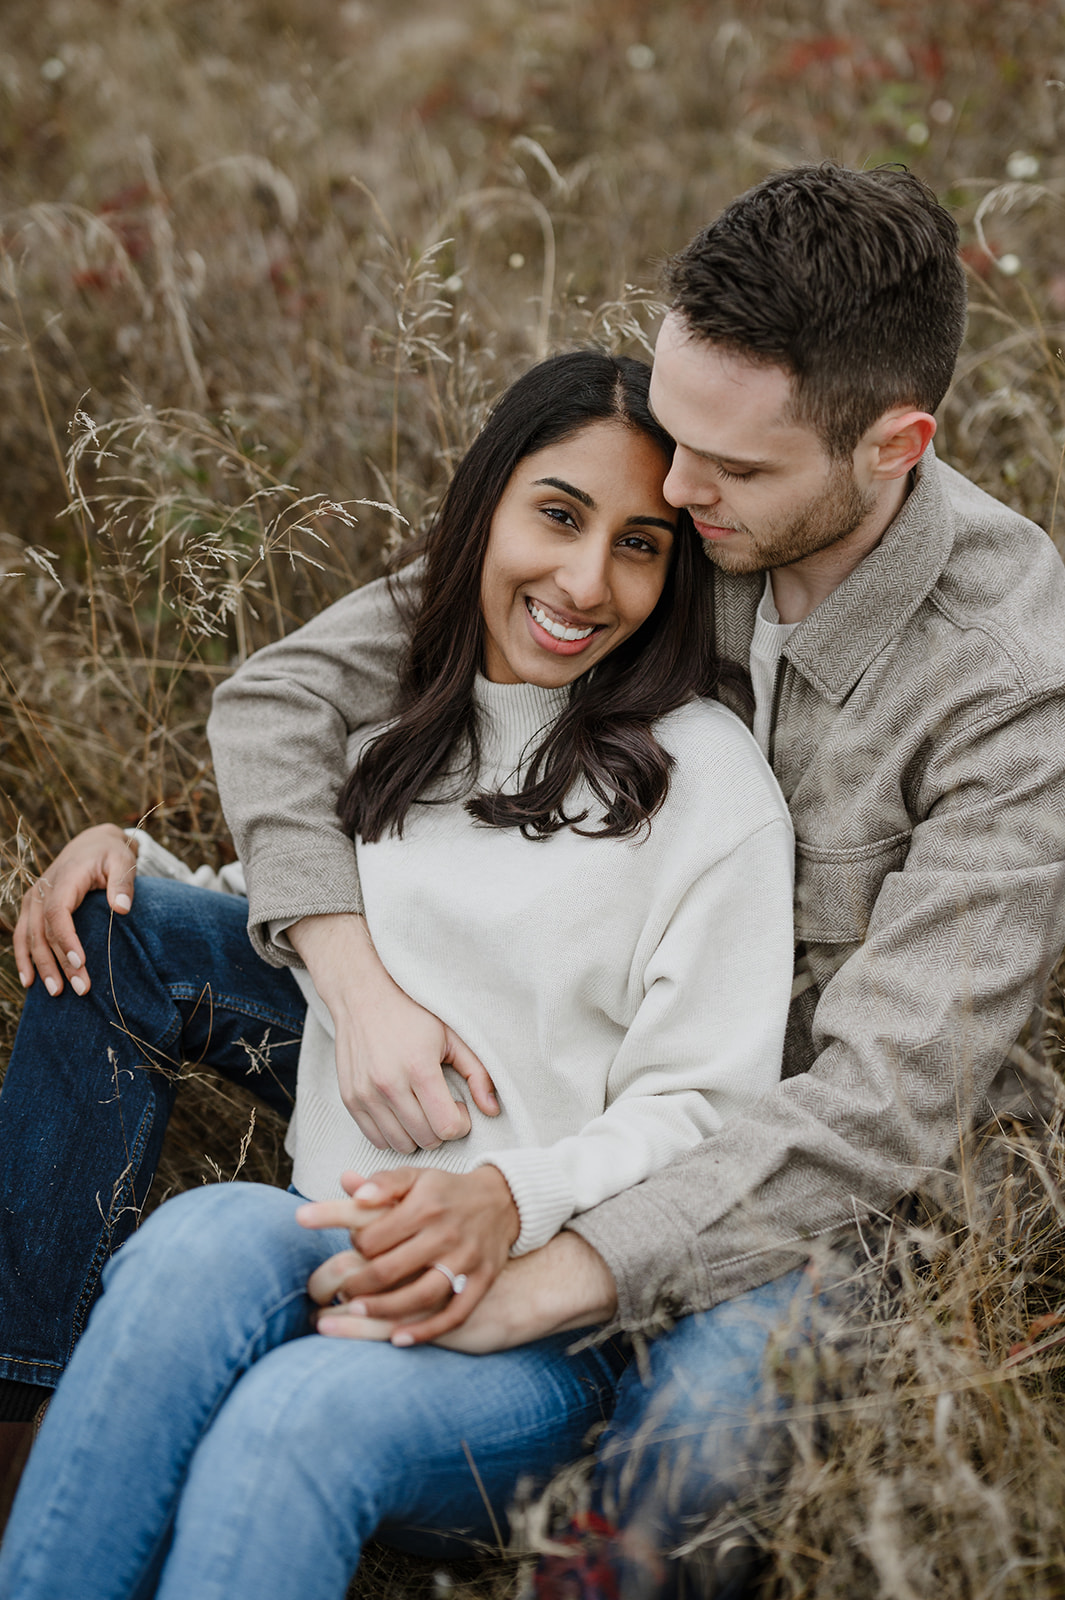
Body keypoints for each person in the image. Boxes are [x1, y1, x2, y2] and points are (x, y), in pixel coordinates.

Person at [5, 159, 1065, 1595]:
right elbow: (302, 702)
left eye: (726, 471)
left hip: (806, 1177)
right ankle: (37, 1419)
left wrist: (544, 1263)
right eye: (671, 445)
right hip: (525, 1048)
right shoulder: (665, 500)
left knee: (690, 1436)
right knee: (120, 924)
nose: (674, 496)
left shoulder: (1006, 687)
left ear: (894, 445)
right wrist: (343, 968)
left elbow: (885, 1100)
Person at [0, 351, 794, 1599]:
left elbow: (707, 1111)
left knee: (296, 1410)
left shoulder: (708, 786)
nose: (587, 582)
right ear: (484, 505)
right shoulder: (400, 728)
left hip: (538, 1337)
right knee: (191, 1244)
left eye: (640, 545)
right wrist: (135, 862)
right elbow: (359, 923)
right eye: (558, 514)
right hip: (333, 1237)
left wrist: (509, 1194)